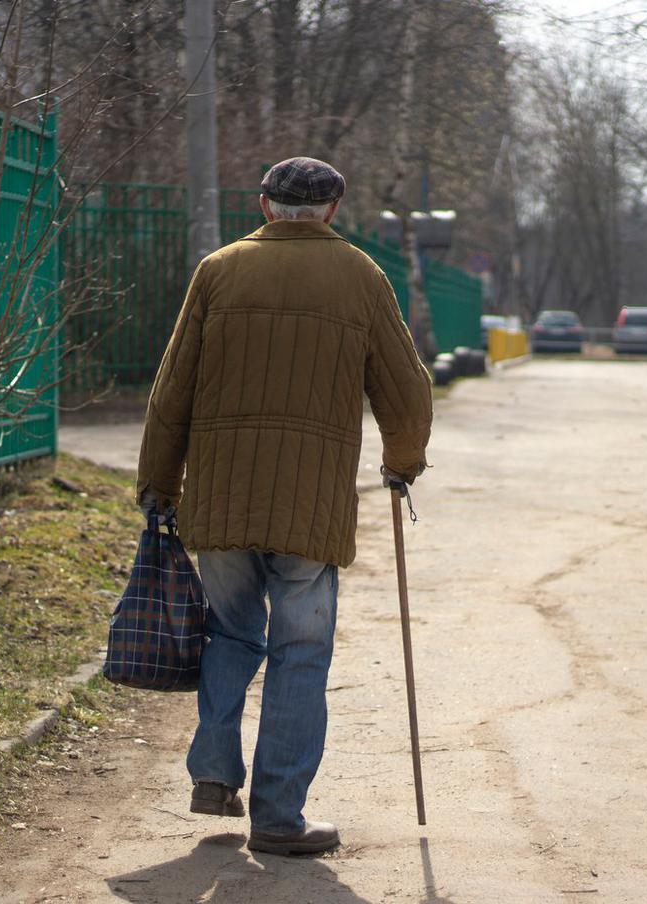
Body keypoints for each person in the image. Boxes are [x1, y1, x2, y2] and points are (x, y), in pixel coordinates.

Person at [136, 156, 432, 855]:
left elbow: (172, 386)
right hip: (312, 505)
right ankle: (277, 818)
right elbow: (409, 392)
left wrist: (159, 482)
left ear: (266, 205)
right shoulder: (363, 277)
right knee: (300, 653)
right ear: (333, 209)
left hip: (222, 497)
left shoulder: (219, 270)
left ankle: (213, 773)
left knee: (230, 634)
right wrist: (402, 465)